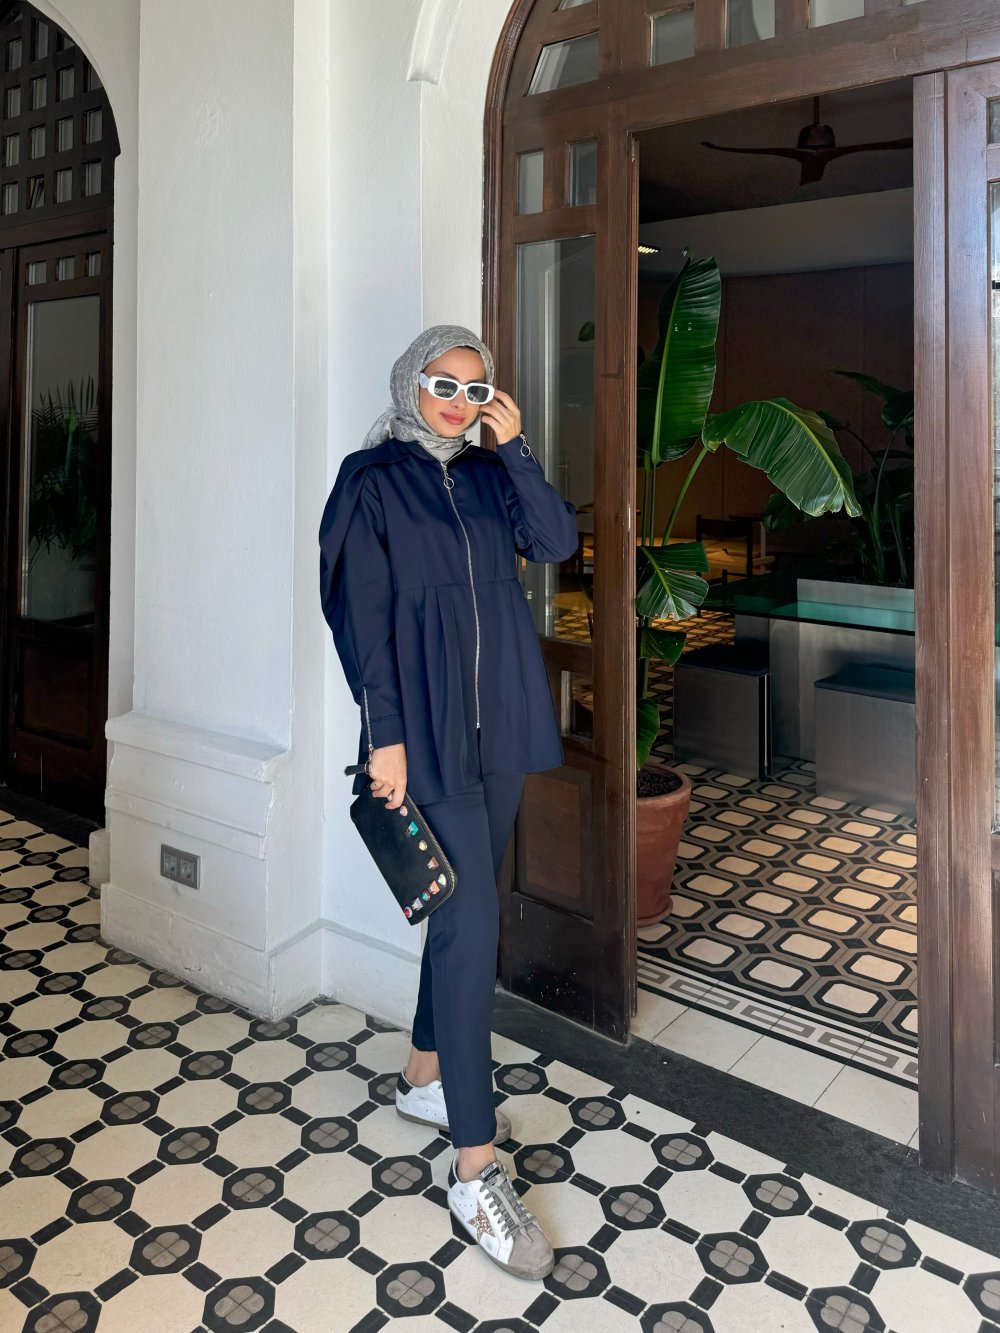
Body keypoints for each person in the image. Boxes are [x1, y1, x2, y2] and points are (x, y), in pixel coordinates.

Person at [318, 324, 579, 1281]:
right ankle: (475, 1168)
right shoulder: (370, 479)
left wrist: (517, 449)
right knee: (471, 924)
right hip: (421, 730)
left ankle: (424, 1073)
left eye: (476, 389)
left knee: (463, 910)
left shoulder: (489, 474)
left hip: (499, 717)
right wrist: (383, 735)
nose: (459, 402)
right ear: (410, 382)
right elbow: (361, 617)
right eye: (444, 383)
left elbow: (557, 541)